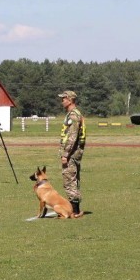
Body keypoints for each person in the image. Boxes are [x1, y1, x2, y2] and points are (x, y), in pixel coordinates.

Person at [58, 90, 86, 218]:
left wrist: (65, 154)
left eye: (64, 98)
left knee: (69, 180)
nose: (62, 101)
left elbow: (72, 136)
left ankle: (74, 211)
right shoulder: (74, 114)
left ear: (70, 100)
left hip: (72, 153)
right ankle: (74, 209)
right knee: (72, 179)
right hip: (74, 153)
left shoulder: (73, 115)